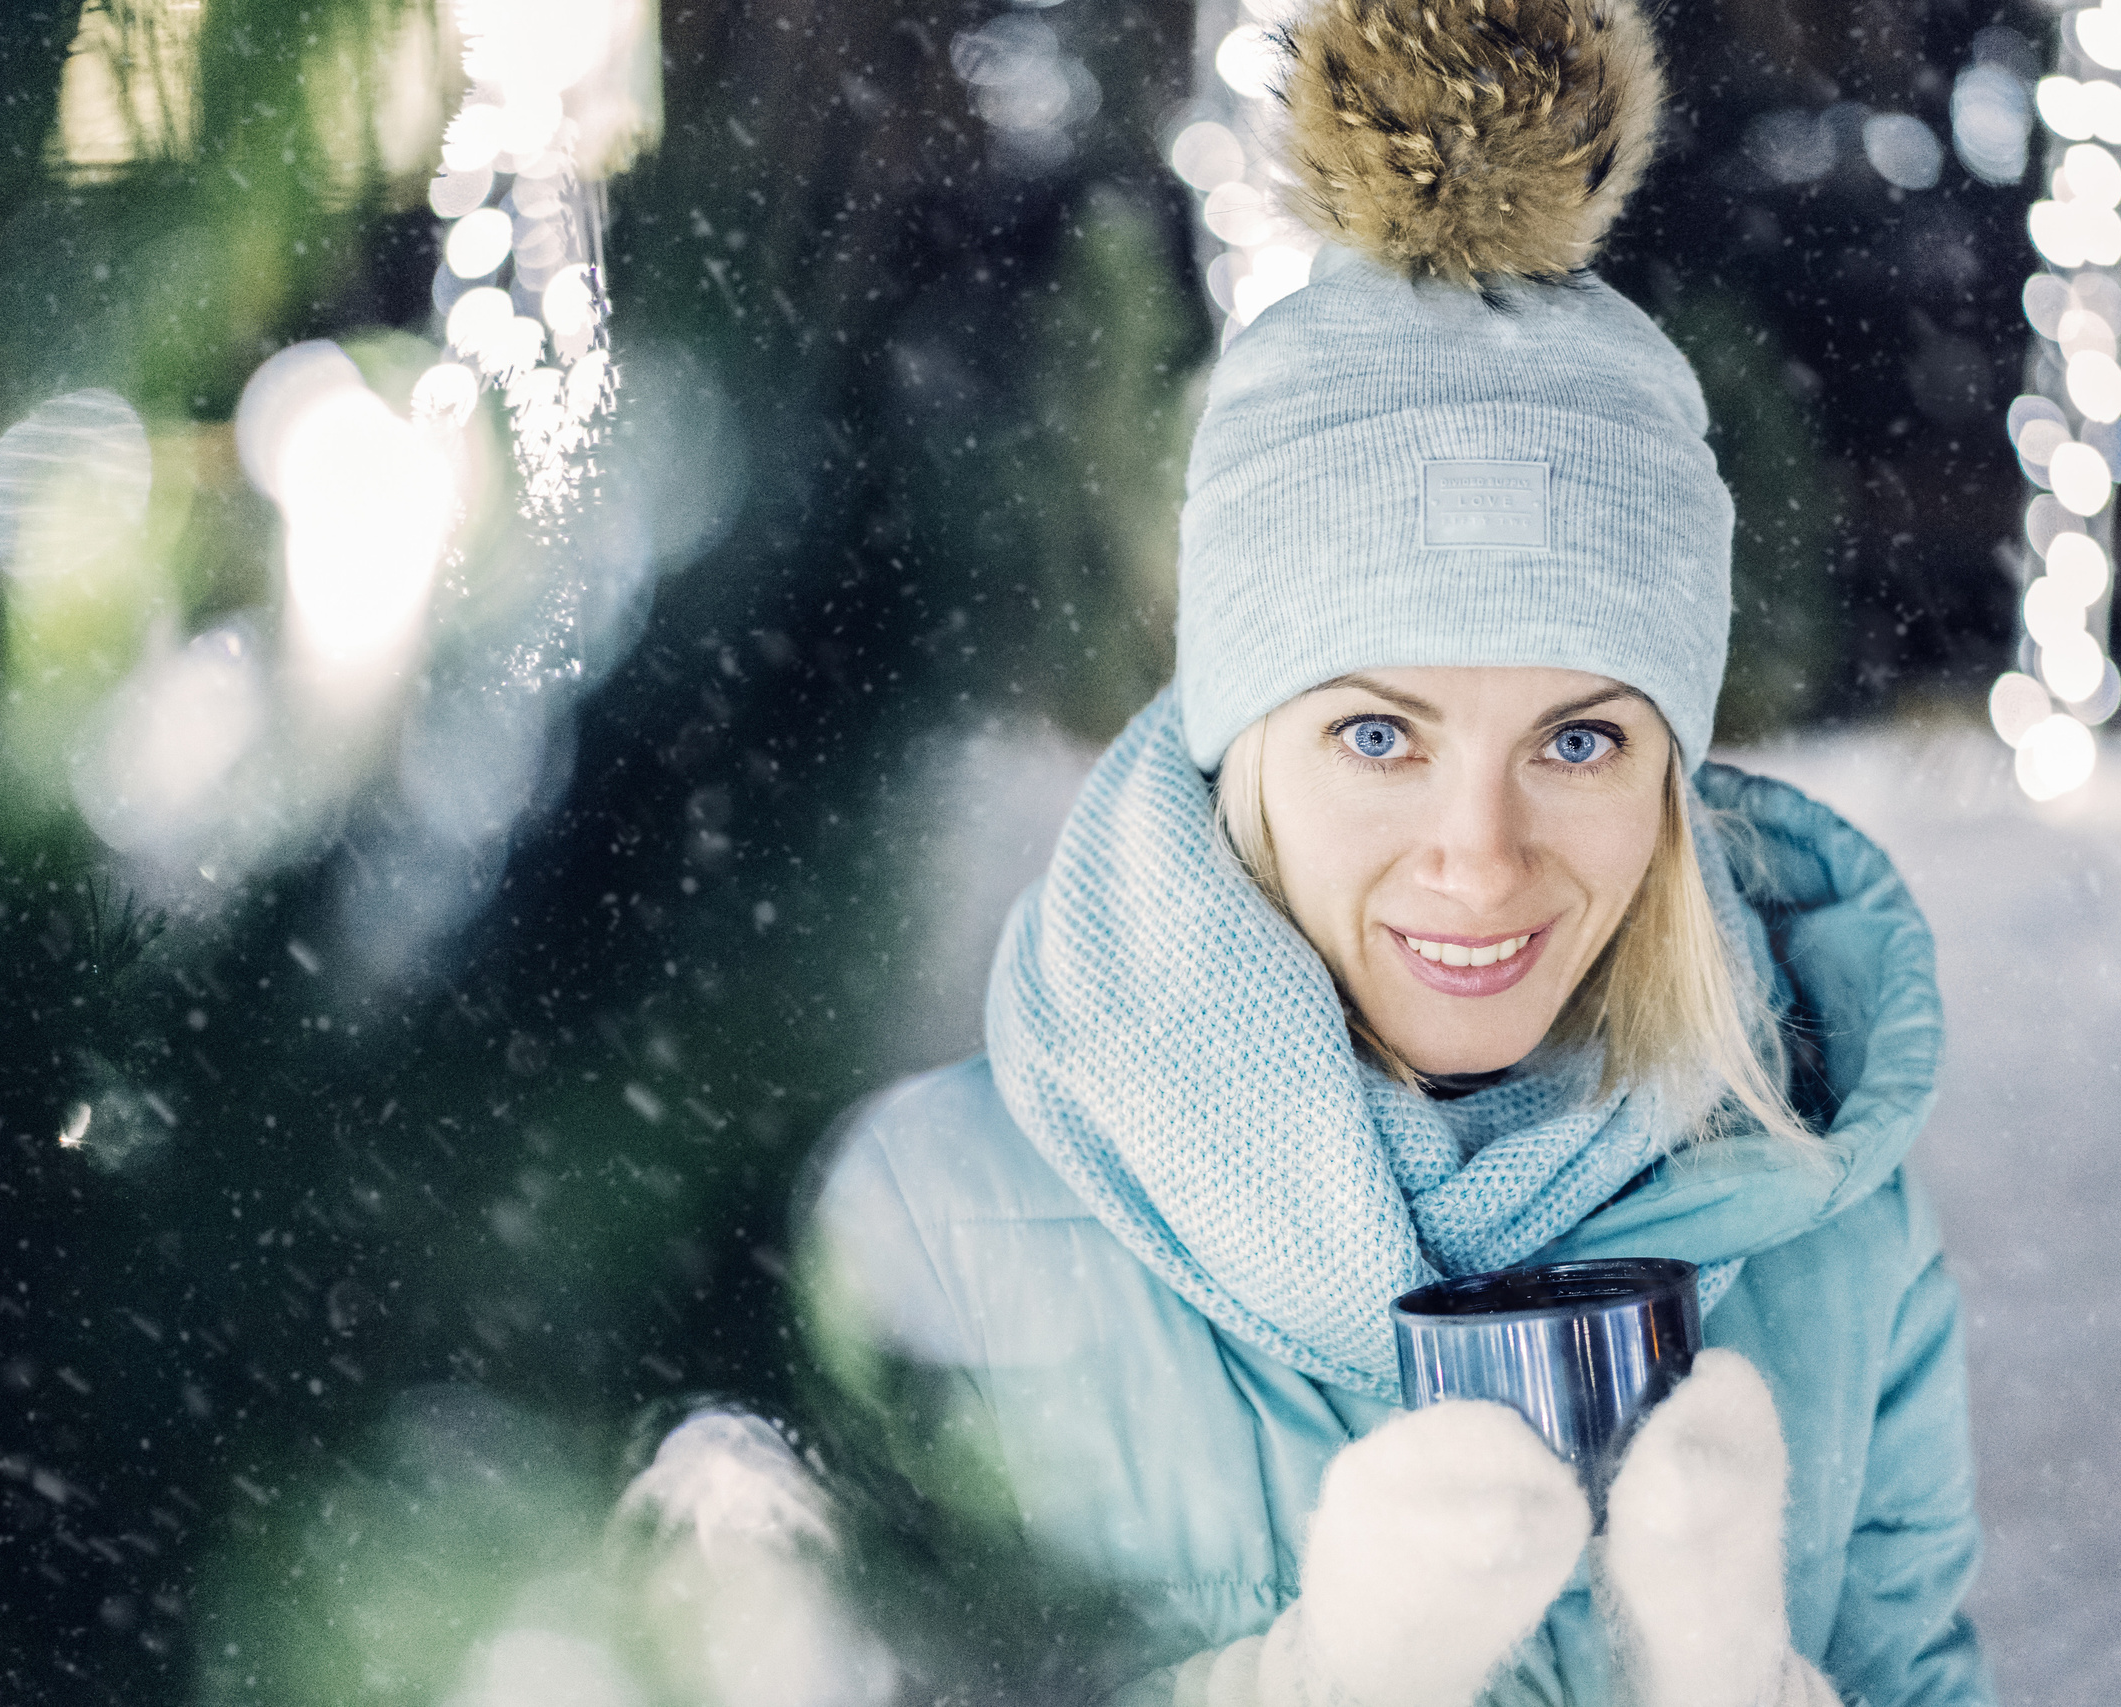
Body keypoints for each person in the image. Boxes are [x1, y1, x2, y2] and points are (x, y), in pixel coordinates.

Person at [797, 0, 1991, 1702]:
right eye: (1379, 735)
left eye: (1579, 741)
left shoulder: (1835, 1231)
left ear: (1671, 769)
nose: (1481, 859)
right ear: (1241, 738)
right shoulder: (931, 1227)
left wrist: (1734, 1679)